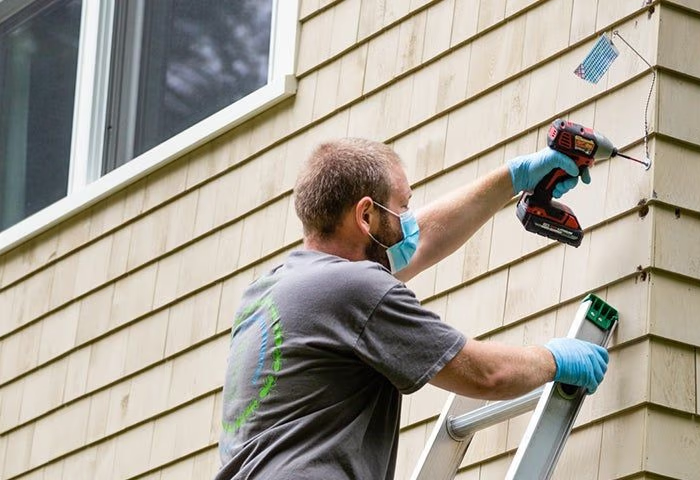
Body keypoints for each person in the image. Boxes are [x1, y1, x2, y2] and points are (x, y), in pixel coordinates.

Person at [214, 138, 605, 480]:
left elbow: (418, 242)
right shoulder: (355, 288)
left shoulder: (271, 291)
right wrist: (554, 359)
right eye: (402, 208)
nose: (408, 223)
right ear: (365, 216)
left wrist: (515, 177)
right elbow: (487, 375)